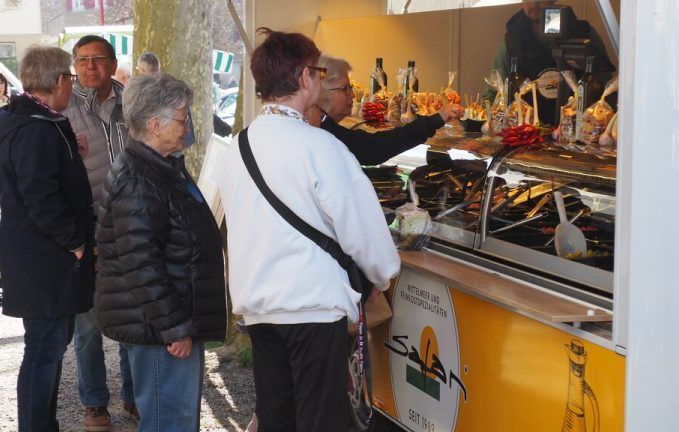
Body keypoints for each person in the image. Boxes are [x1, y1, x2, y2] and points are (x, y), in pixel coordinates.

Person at [217, 28, 400, 431]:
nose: (320, 79)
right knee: (321, 419)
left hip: (260, 306)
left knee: (278, 416)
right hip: (313, 307)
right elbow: (363, 230)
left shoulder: (239, 145)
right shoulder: (321, 146)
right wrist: (383, 274)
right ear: (303, 77)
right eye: (317, 71)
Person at [95, 73, 227, 432]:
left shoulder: (159, 167)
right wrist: (174, 328)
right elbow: (142, 264)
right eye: (182, 119)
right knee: (168, 421)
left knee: (175, 419)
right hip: (160, 329)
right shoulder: (140, 178)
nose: (187, 126)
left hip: (165, 321)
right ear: (155, 124)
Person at [0, 45, 94, 432]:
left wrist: (71, 155)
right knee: (43, 352)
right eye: (71, 75)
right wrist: (76, 242)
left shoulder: (39, 120)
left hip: (41, 255)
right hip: (42, 257)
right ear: (58, 81)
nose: (74, 82)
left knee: (48, 348)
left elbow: (44, 179)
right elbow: (41, 198)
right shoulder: (34, 127)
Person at [61, 34, 135, 430]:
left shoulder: (132, 102)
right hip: (87, 224)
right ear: (74, 64)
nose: (90, 67)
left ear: (112, 62)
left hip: (130, 221)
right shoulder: (62, 109)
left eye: (98, 59)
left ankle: (133, 395)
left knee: (131, 310)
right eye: (83, 60)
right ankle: (94, 403)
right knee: (88, 319)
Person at [306, 54, 464, 166]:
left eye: (351, 87)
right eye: (345, 88)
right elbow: (373, 148)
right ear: (320, 92)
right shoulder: (320, 131)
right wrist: (436, 119)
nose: (352, 94)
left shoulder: (323, 125)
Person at [485, 0, 613, 125]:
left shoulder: (583, 34)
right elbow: (494, 94)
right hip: (525, 134)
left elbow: (606, 86)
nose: (534, 3)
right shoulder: (513, 39)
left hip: (577, 131)